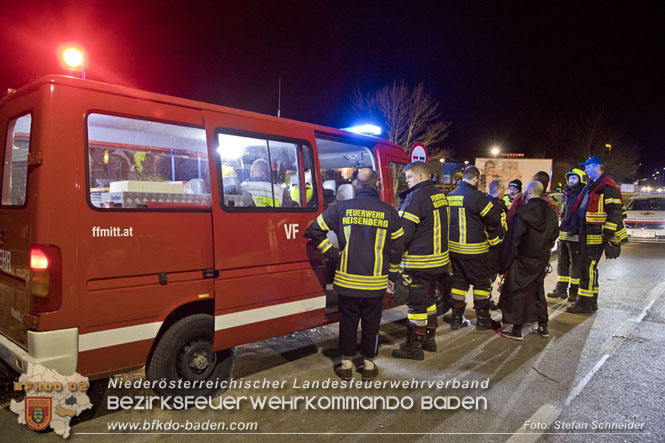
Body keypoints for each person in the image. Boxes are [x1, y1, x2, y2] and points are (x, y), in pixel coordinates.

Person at [307, 168, 403, 380]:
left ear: (356, 185)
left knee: (348, 322)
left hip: (347, 280)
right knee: (371, 322)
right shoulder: (389, 212)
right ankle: (368, 366)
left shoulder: (341, 208)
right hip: (375, 282)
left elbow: (314, 230)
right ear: (376, 185)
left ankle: (346, 365)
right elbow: (397, 248)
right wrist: (393, 276)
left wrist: (332, 253)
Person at [391, 161, 450, 360]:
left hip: (419, 262)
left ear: (420, 177)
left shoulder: (416, 198)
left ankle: (413, 346)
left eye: (409, 177)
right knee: (428, 300)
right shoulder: (439, 194)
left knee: (416, 306)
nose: (406, 181)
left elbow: (403, 234)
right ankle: (429, 340)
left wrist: (392, 255)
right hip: (438, 262)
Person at [566, 156, 628, 314]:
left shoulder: (607, 187)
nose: (585, 170)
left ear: (596, 167)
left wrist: (609, 232)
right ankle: (590, 301)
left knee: (587, 268)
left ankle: (585, 304)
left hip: (596, 234)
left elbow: (615, 211)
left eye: (587, 167)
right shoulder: (593, 185)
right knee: (589, 268)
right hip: (587, 232)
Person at [499, 181, 559, 340]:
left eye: (526, 189)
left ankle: (517, 329)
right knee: (537, 291)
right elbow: (554, 236)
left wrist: (504, 262)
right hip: (540, 259)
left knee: (517, 291)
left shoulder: (522, 213)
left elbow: (514, 240)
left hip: (522, 259)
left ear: (531, 191)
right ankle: (543, 326)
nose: (523, 192)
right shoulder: (550, 213)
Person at [447, 166, 502, 330]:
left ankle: (457, 320)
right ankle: (484, 320)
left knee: (458, 283)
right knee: (481, 284)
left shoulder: (449, 196)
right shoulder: (478, 198)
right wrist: (494, 241)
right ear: (476, 179)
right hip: (475, 251)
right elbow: (494, 220)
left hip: (454, 251)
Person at [547, 168, 588, 301]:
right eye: (570, 178)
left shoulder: (584, 195)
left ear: (581, 179)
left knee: (575, 265)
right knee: (562, 262)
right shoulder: (567, 194)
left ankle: (574, 292)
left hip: (576, 236)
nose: (571, 180)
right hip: (564, 235)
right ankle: (561, 289)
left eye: (574, 178)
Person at [487, 180, 508, 310]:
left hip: (495, 246)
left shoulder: (496, 204)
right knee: (488, 277)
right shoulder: (492, 206)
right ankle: (486, 301)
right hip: (492, 248)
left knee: (490, 277)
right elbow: (493, 228)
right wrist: (497, 244)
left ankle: (486, 300)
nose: (504, 192)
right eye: (503, 189)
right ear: (498, 190)